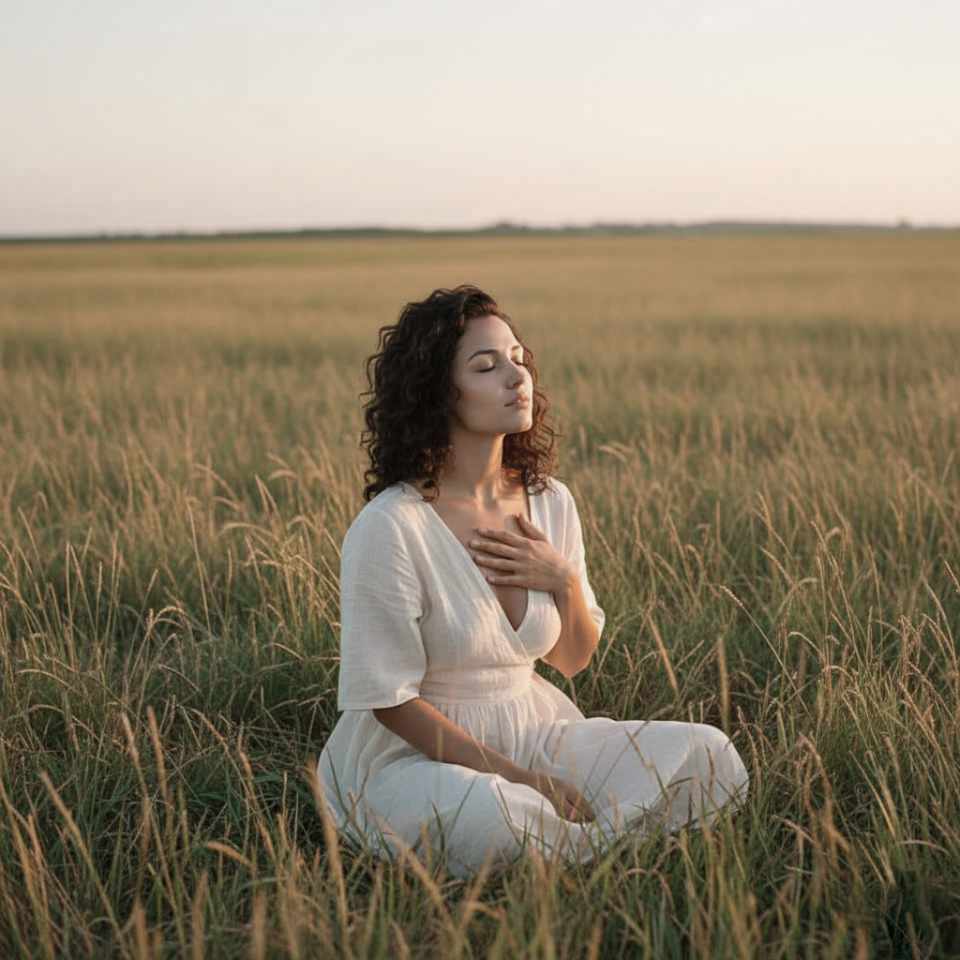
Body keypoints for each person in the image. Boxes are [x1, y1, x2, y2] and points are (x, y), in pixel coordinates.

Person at [316, 284, 749, 878]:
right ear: (437, 391)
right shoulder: (391, 525)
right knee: (496, 817)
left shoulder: (549, 501)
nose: (517, 377)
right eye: (486, 365)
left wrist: (562, 580)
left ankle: (564, 848)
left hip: (537, 729)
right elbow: (390, 703)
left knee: (709, 755)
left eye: (519, 359)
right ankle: (585, 844)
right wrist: (520, 780)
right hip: (416, 758)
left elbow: (573, 657)